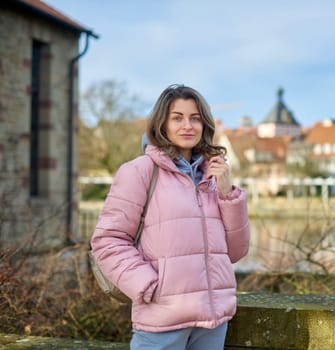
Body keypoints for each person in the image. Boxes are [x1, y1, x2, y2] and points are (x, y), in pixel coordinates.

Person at [90, 84, 251, 350]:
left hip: (212, 322)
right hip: (162, 320)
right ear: (162, 123)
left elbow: (236, 251)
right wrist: (148, 285)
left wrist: (227, 193)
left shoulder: (214, 177)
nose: (187, 125)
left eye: (195, 118)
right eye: (177, 117)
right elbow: (108, 240)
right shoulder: (139, 171)